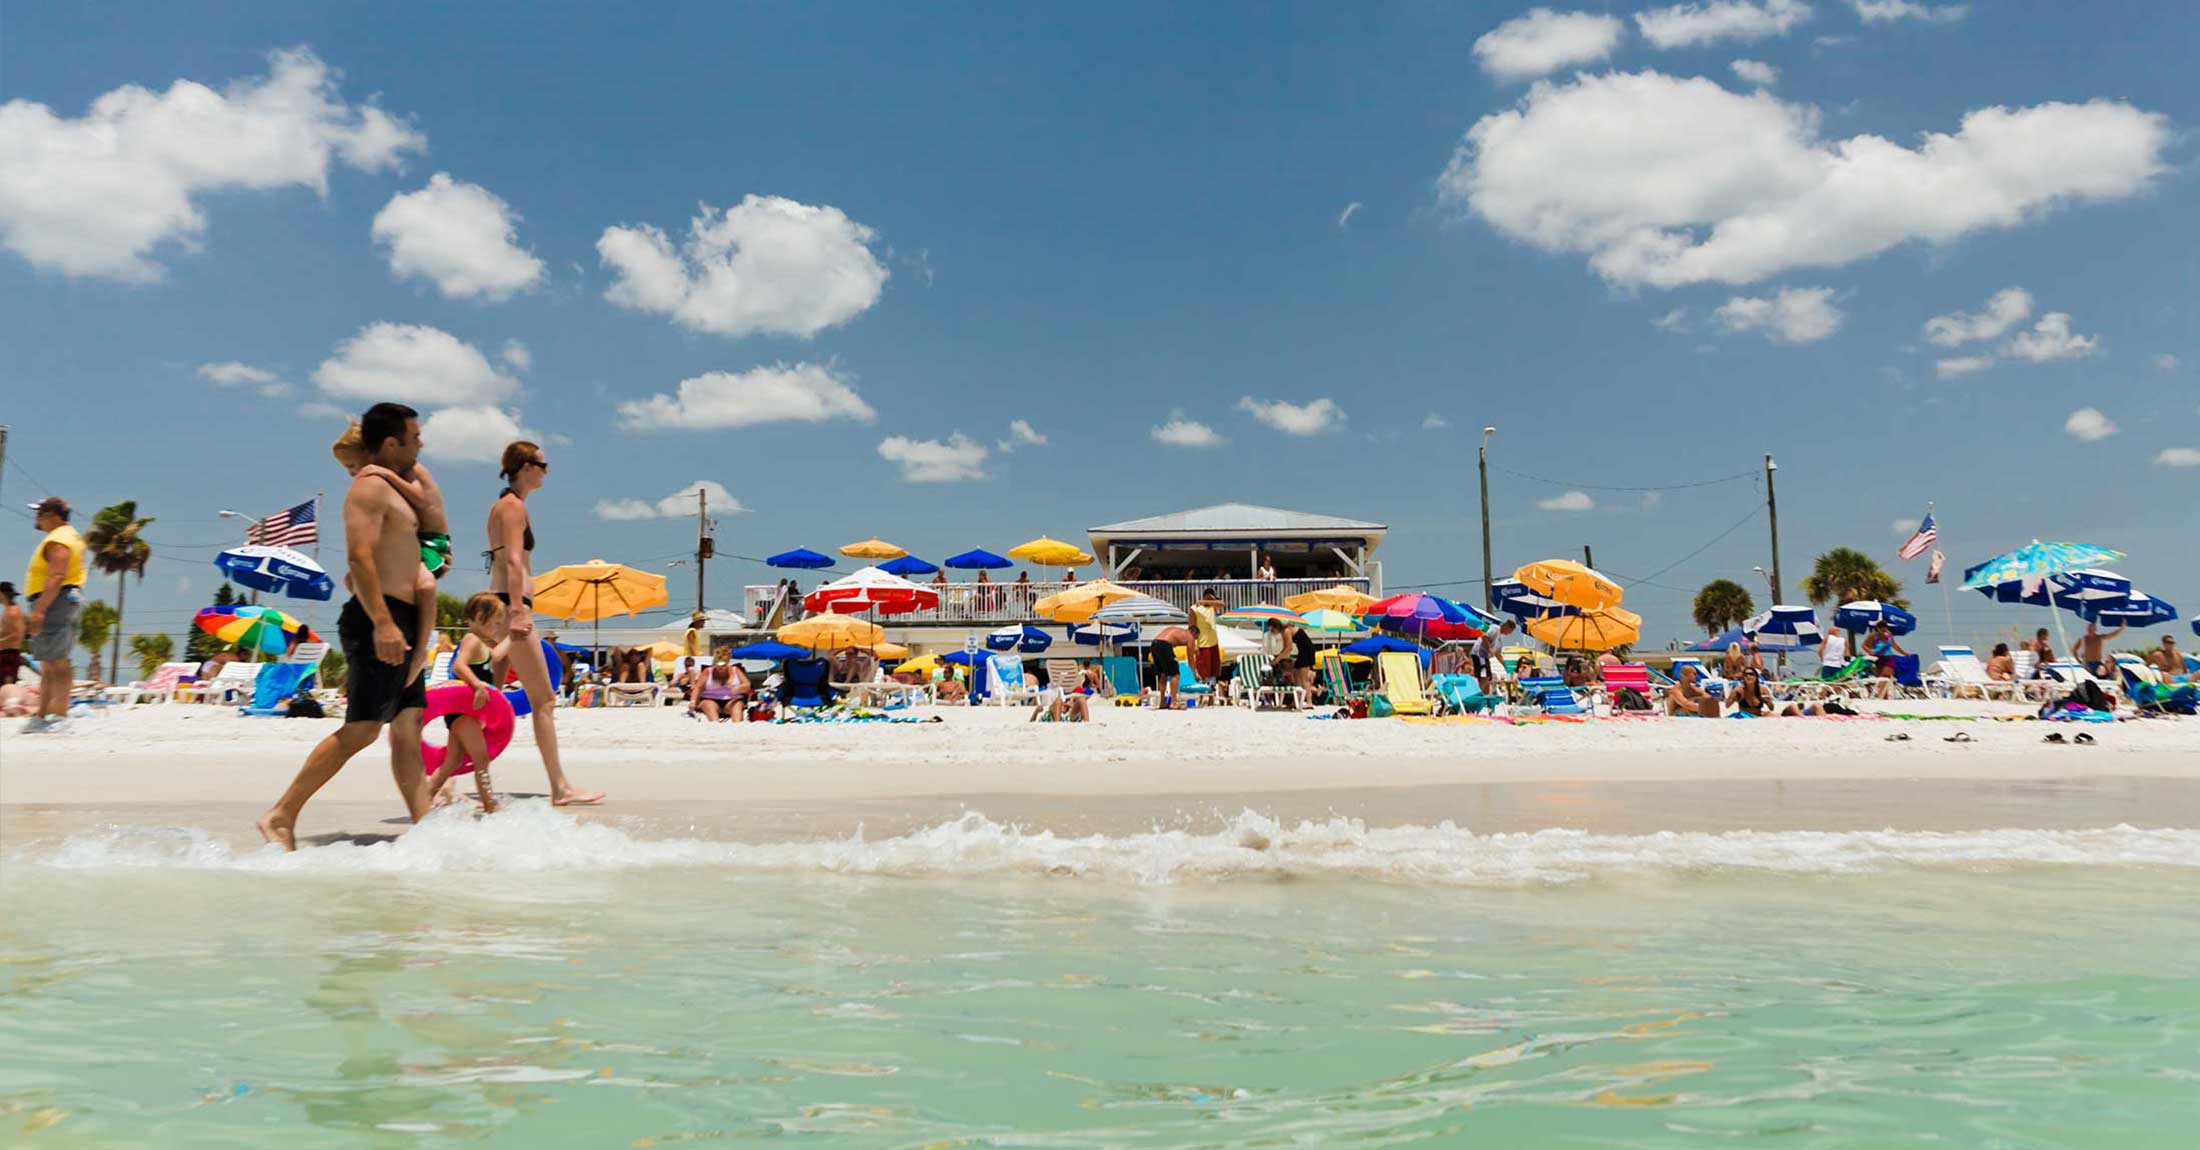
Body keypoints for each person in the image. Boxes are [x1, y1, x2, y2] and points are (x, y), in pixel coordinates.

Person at [258, 404, 435, 848]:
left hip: (406, 619)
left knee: (409, 728)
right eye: (415, 436)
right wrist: (382, 622)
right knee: (363, 728)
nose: (421, 443)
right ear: (391, 443)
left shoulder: (397, 490)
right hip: (382, 620)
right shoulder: (368, 489)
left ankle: (431, 830)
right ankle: (281, 814)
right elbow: (359, 556)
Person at [488, 439, 603, 806]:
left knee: (490, 699)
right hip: (513, 607)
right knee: (545, 700)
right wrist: (521, 610)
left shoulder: (506, 505)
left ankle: (454, 782)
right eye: (542, 463)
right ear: (525, 467)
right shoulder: (512, 507)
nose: (547, 470)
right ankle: (560, 788)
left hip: (505, 604)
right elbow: (511, 562)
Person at [333, 423, 442, 681]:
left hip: (433, 542)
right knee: (352, 580)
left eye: (352, 465)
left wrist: (385, 475)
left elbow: (423, 499)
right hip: (407, 546)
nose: (351, 473)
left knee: (425, 585)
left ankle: (420, 654)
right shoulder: (378, 482)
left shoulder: (409, 470)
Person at [422, 591, 508, 814]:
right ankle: (489, 803)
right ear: (480, 617)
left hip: (464, 714)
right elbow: (460, 666)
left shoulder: (482, 645)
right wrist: (478, 686)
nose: (498, 628)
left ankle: (425, 798)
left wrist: (514, 635)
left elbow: (496, 655)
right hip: (464, 713)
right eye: (496, 624)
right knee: (481, 757)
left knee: (452, 761)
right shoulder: (472, 640)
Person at [18, 497, 86, 732]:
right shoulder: (65, 536)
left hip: (55, 601)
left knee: (58, 661)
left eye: (40, 513)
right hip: (55, 600)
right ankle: (42, 716)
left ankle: (60, 716)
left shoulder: (60, 539)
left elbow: (57, 575)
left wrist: (39, 610)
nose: (36, 518)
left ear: (54, 515)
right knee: (48, 662)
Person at [1190, 588, 1226, 688]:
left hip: (1214, 643)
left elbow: (1222, 604)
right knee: (1203, 672)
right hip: (1202, 644)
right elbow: (1191, 628)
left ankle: (1211, 696)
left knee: (1213, 673)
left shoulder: (1213, 607)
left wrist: (1206, 601)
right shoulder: (1195, 608)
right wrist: (1194, 644)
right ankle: (1202, 695)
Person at [1473, 620, 1516, 696]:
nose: (1510, 633)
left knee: (1488, 678)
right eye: (1510, 631)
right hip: (1479, 654)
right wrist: (1490, 648)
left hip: (1485, 657)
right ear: (1507, 627)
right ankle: (1476, 694)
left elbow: (1498, 655)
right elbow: (1484, 635)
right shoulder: (1495, 628)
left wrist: (1505, 666)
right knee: (1485, 676)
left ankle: (1484, 697)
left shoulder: (1499, 641)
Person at [0, 581, 23, 686]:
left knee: (7, 688)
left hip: (9, 656)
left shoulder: (12, 612)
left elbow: (17, 635)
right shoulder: (8, 610)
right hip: (6, 654)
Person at [1147, 638, 1180, 708]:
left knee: (1163, 674)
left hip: (1154, 644)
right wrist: (1195, 673)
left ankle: (1162, 702)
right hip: (1164, 644)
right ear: (1194, 632)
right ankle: (1173, 703)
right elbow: (1191, 658)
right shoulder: (1189, 636)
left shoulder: (1172, 631)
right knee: (1175, 674)